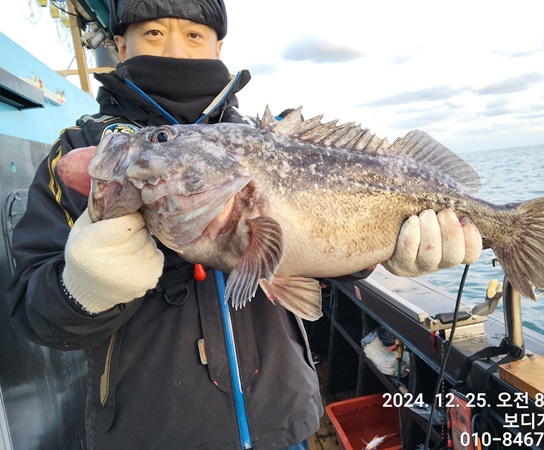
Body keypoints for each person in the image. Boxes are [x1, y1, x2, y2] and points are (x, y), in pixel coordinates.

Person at [6, 0, 482, 448]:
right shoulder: (84, 150)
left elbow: (318, 244)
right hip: (153, 434)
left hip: (284, 419)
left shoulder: (264, 139)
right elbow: (34, 316)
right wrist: (85, 287)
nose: (175, 50)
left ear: (218, 47)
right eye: (153, 32)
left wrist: (383, 252)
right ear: (120, 45)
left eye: (194, 35)